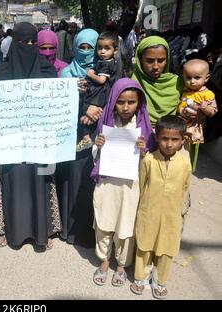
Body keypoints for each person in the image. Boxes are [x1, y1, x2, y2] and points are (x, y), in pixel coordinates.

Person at [0, 22, 61, 249]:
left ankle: (45, 231)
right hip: (12, 141)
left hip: (40, 139)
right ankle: (11, 230)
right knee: (16, 181)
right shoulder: (3, 71)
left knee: (41, 180)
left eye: (34, 42)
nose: (30, 46)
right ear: (15, 43)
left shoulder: (47, 70)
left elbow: (56, 104)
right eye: (24, 42)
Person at [90, 78, 154, 287]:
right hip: (107, 183)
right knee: (103, 223)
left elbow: (150, 161)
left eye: (131, 102)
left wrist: (144, 150)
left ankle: (121, 266)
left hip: (130, 186)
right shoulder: (106, 122)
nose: (126, 108)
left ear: (139, 103)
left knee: (126, 227)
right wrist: (98, 145)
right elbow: (95, 155)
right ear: (113, 101)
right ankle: (105, 262)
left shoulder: (143, 126)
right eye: (121, 102)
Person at [130, 115, 191, 299]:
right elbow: (141, 184)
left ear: (183, 140)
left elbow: (185, 188)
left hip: (172, 215)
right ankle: (140, 277)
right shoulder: (148, 160)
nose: (169, 144)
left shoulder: (185, 162)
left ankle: (160, 280)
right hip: (149, 212)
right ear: (157, 137)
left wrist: (181, 213)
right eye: (165, 138)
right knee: (145, 245)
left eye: (175, 139)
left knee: (167, 248)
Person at [58, 28, 99, 248]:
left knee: (89, 182)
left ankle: (89, 233)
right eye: (81, 47)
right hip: (70, 135)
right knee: (72, 180)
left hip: (95, 135)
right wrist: (72, 90)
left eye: (89, 47)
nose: (85, 52)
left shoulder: (104, 72)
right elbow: (56, 103)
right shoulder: (65, 74)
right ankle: (69, 230)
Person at [77, 31, 122, 151]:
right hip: (101, 93)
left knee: (85, 114)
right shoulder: (114, 63)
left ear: (115, 50)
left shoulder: (104, 64)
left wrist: (90, 74)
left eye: (107, 48)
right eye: (100, 48)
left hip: (99, 94)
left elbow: (101, 80)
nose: (102, 51)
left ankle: (86, 138)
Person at [132, 36, 183, 126]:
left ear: (167, 60)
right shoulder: (131, 84)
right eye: (149, 61)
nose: (155, 66)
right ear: (140, 60)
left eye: (161, 60)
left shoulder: (178, 83)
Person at [178, 59, 218, 171]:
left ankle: (189, 168)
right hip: (182, 125)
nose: (192, 82)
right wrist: (181, 111)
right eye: (188, 77)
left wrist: (204, 107)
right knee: (179, 148)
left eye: (197, 77)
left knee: (192, 150)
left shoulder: (207, 94)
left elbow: (213, 111)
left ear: (206, 78)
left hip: (195, 128)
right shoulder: (185, 90)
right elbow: (180, 104)